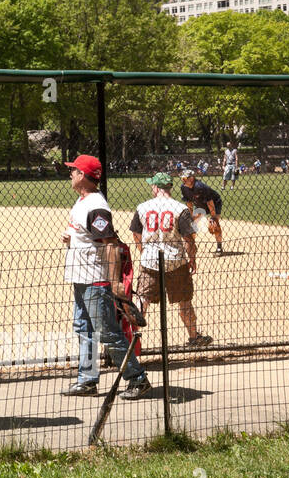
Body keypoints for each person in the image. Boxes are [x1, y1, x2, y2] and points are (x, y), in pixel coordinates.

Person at [59, 154, 150, 400]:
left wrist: (115, 282)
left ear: (84, 176)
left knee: (107, 332)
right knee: (83, 328)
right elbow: (90, 235)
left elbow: (110, 245)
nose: (71, 174)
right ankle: (87, 380)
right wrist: (71, 237)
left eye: (74, 170)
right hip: (81, 277)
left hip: (96, 279)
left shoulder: (96, 206)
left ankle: (138, 379)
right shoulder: (83, 201)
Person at [130, 173, 211, 347]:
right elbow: (189, 238)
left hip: (150, 260)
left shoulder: (142, 207)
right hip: (176, 260)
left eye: (152, 186)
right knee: (185, 302)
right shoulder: (179, 208)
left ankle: (131, 340)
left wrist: (143, 250)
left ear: (157, 188)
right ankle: (194, 336)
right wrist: (192, 259)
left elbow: (136, 233)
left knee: (143, 299)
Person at [180, 169, 224, 256]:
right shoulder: (184, 187)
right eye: (182, 178)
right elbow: (189, 202)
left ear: (192, 178)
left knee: (215, 224)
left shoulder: (200, 187)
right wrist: (191, 216)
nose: (183, 180)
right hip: (200, 204)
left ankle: (219, 247)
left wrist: (213, 217)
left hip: (214, 203)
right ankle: (191, 245)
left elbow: (210, 202)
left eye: (185, 178)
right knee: (191, 224)